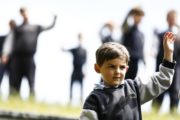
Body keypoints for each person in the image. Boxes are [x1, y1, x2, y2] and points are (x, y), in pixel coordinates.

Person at [79, 32, 176, 120]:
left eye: (122, 67)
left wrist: (168, 53)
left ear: (126, 69)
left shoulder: (134, 88)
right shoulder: (94, 100)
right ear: (97, 68)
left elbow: (162, 80)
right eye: (111, 66)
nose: (117, 71)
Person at [2, 7, 57, 96]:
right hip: (17, 59)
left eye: (25, 12)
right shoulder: (17, 29)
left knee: (31, 81)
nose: (24, 14)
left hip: (29, 58)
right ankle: (14, 98)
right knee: (15, 81)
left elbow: (49, 27)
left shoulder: (35, 27)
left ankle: (32, 98)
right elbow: (9, 42)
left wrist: (55, 19)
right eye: (22, 13)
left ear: (28, 13)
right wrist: (5, 54)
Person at [152, 10, 180, 112]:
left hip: (176, 68)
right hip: (162, 65)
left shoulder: (178, 36)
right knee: (159, 89)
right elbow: (154, 48)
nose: (172, 20)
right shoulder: (160, 34)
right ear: (167, 19)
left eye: (174, 18)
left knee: (175, 90)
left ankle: (173, 112)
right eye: (170, 18)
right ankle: (155, 111)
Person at [121, 7, 145, 79]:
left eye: (140, 16)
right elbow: (124, 26)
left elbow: (141, 48)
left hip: (136, 61)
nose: (139, 18)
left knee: (132, 81)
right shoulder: (128, 29)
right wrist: (129, 13)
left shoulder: (141, 34)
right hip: (127, 60)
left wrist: (144, 60)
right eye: (137, 15)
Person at [62, 33, 87, 103]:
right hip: (75, 70)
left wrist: (85, 71)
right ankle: (70, 100)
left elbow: (86, 62)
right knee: (71, 85)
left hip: (81, 70)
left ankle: (81, 101)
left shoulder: (84, 51)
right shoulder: (75, 49)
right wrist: (63, 44)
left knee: (81, 88)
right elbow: (64, 50)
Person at [0, 19, 16, 87]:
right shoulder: (4, 37)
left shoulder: (18, 38)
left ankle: (12, 92)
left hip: (13, 60)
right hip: (3, 60)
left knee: (13, 78)